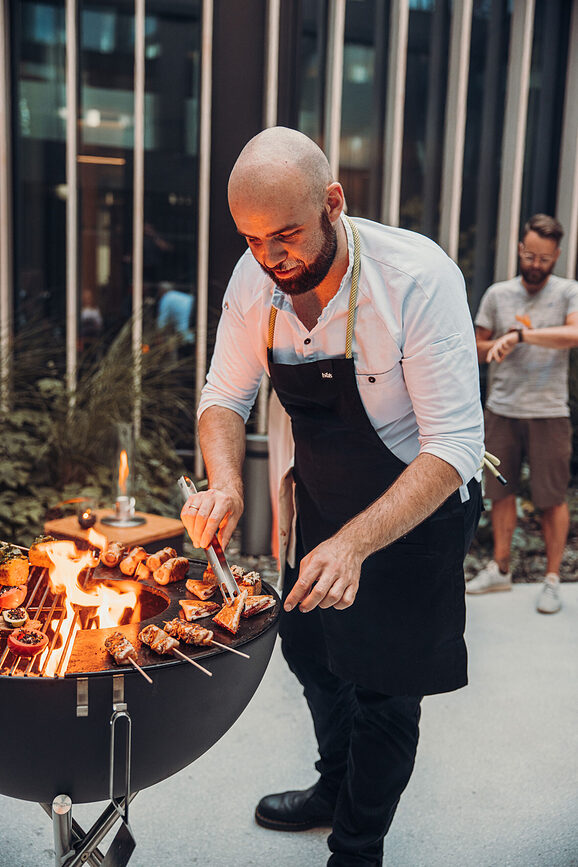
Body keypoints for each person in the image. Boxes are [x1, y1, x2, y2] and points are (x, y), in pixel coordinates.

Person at [181, 127, 484, 867]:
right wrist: (224, 483)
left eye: (284, 234)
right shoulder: (257, 281)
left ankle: (357, 845)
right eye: (252, 239)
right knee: (310, 649)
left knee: (385, 689)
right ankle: (334, 786)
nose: (269, 256)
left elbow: (454, 444)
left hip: (419, 507)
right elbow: (223, 396)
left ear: (333, 202)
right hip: (322, 502)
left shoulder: (416, 279)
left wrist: (354, 544)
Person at [470, 214, 578, 614]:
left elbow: (574, 334)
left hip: (548, 411)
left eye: (544, 258)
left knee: (551, 497)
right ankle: (500, 570)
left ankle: (552, 580)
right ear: (520, 249)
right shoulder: (499, 295)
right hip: (502, 408)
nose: (535, 264)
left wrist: (522, 335)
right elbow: (474, 344)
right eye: (530, 255)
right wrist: (498, 343)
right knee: (501, 493)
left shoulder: (568, 292)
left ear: (557, 256)